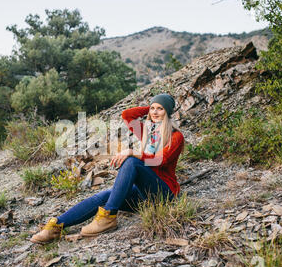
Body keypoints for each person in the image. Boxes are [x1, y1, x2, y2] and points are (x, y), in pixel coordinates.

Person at [29, 93, 185, 243]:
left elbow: (160, 161)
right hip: (143, 195)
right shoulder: (147, 131)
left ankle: (108, 217)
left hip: (164, 194)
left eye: (160, 108)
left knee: (131, 161)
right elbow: (127, 115)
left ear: (168, 112)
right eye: (153, 108)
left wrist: (132, 152)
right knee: (105, 195)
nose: (155, 112)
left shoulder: (176, 136)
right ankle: (56, 225)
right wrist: (152, 109)